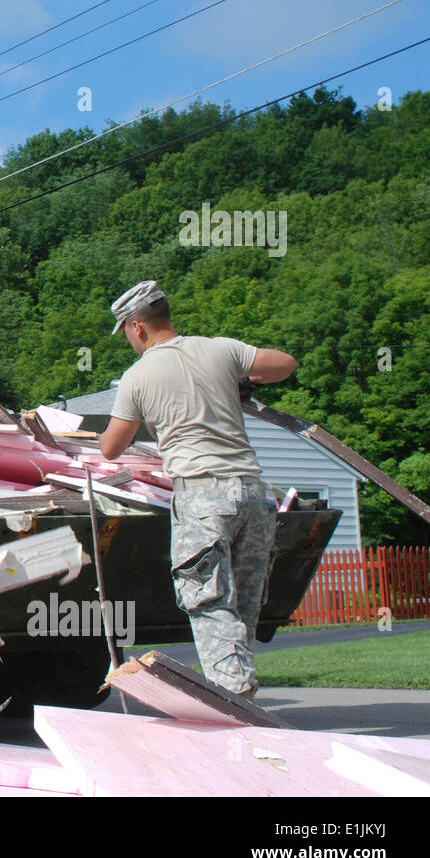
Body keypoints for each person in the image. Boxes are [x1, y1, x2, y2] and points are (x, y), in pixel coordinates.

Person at [98, 281, 297, 698]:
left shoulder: (138, 377)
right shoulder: (220, 349)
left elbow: (111, 447)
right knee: (241, 606)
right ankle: (242, 695)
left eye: (127, 335)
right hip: (253, 492)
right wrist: (246, 377)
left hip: (203, 495)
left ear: (137, 327)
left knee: (207, 601)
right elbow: (285, 364)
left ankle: (234, 700)